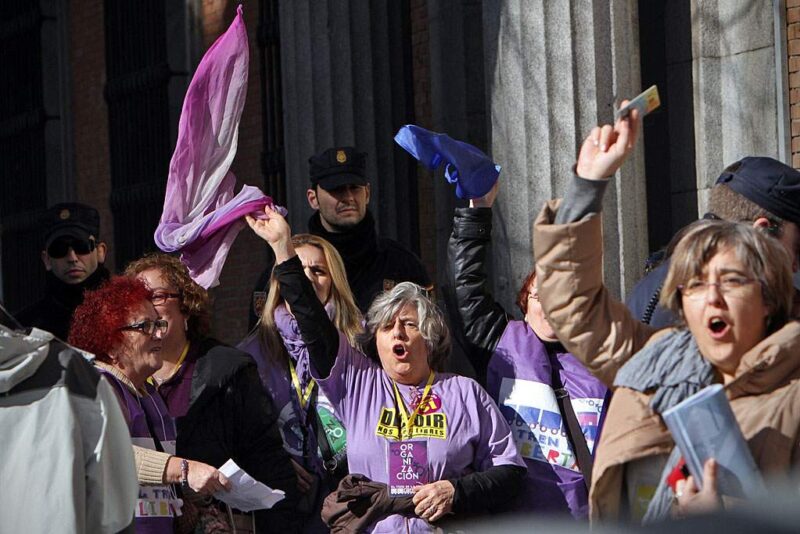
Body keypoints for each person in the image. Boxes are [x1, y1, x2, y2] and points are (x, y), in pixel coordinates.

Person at [532, 108, 800, 523]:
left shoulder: (791, 394)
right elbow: (574, 304)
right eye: (695, 284)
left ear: (769, 297)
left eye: (730, 281)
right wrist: (586, 186)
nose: (711, 297)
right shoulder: (653, 357)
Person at [246, 206, 526, 533]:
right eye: (387, 326)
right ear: (374, 341)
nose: (398, 333)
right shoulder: (358, 381)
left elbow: (510, 473)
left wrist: (455, 491)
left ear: (431, 336)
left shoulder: (464, 393)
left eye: (409, 324)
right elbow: (313, 322)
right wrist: (282, 249)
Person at [448, 180, 610, 518]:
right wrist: (475, 214)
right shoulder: (501, 342)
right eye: (540, 295)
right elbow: (467, 289)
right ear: (525, 301)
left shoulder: (602, 357)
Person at [124, 253, 301, 533]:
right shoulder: (123, 379)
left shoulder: (228, 369)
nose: (147, 308)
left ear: (186, 305)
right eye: (137, 299)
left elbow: (267, 461)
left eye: (156, 296)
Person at [69, 276, 231, 533]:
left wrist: (187, 495)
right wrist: (184, 470)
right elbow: (110, 452)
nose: (159, 334)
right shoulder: (98, 385)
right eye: (145, 326)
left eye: (158, 324)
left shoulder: (149, 393)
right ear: (111, 342)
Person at [238, 234, 362, 533]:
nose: (307, 278)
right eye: (298, 270)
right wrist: (272, 460)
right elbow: (236, 435)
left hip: (351, 500)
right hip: (282, 506)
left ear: (334, 281)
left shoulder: (361, 341)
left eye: (318, 270)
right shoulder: (249, 354)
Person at [249, 146, 430, 326]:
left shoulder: (402, 265)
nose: (349, 197)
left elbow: (430, 336)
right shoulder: (280, 274)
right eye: (337, 189)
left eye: (355, 188)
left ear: (367, 193)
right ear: (313, 199)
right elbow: (262, 345)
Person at [0, 305, 137, 534]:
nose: (157, 333)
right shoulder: (78, 378)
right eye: (143, 326)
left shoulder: (80, 379)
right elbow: (114, 517)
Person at [626, 156, 800, 327]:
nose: (795, 267)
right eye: (797, 247)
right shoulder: (727, 307)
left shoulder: (652, 284)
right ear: (762, 233)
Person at [16, 202, 110, 339]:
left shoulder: (130, 310)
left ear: (100, 252)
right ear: (47, 259)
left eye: (81, 246)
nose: (72, 258)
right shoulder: (25, 327)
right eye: (59, 249)